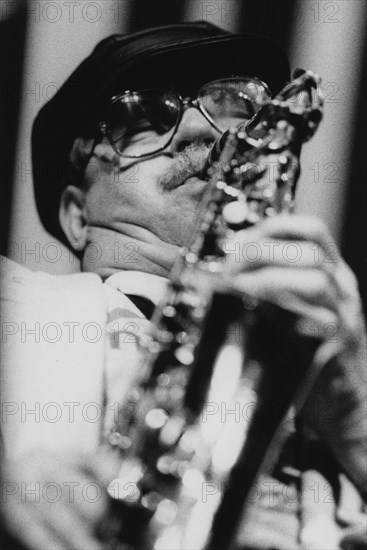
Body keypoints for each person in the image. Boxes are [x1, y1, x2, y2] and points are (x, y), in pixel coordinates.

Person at [1, 21, 366, 550]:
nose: (205, 132)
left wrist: (355, 416)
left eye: (237, 111)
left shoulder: (346, 357)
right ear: (77, 213)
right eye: (146, 117)